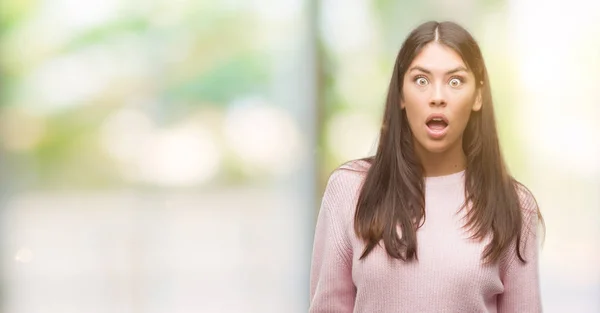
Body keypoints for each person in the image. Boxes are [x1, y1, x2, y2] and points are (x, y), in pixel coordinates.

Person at [308, 21, 545, 313]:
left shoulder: (515, 206)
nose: (437, 96)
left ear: (478, 96)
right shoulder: (349, 190)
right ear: (400, 94)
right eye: (421, 80)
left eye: (455, 81)